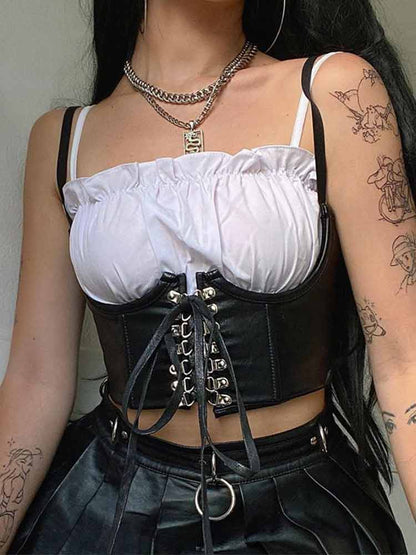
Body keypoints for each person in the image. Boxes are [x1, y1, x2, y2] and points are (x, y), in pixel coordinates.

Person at [1, 0, 415, 553]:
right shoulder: (61, 140)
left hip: (302, 515)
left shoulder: (335, 93)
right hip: (108, 510)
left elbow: (405, 362)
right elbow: (36, 380)